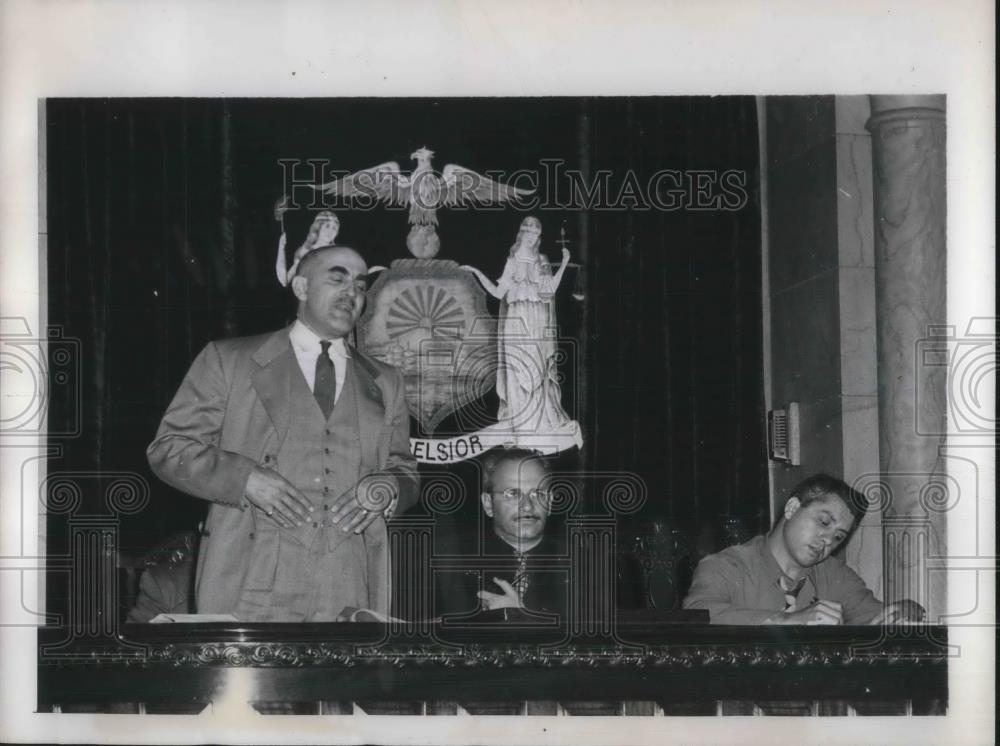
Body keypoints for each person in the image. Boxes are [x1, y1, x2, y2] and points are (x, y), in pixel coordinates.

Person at [147, 243, 419, 622]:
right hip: (251, 577)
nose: (351, 294)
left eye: (360, 286)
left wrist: (389, 488)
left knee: (345, 684)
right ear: (302, 288)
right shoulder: (229, 360)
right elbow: (169, 449)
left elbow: (404, 467)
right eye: (337, 278)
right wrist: (245, 478)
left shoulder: (386, 381)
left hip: (349, 582)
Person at [683, 474, 926, 625]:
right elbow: (698, 615)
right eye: (823, 522)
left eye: (838, 537)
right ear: (791, 508)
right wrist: (786, 621)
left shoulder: (834, 574)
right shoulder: (726, 566)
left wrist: (906, 611)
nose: (827, 541)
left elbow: (876, 617)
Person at [461, 217, 573, 435]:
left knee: (537, 370)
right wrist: (476, 272)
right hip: (516, 322)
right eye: (529, 232)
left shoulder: (542, 261)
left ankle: (539, 426)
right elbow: (497, 293)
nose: (532, 238)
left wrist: (565, 263)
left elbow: (549, 291)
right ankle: (519, 425)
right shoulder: (512, 262)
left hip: (537, 322)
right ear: (521, 234)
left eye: (536, 234)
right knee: (517, 368)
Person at [435, 447, 569, 620]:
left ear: (550, 502)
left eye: (538, 494)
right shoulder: (451, 564)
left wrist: (524, 616)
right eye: (513, 494)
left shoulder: (586, 566)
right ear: (488, 504)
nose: (527, 506)